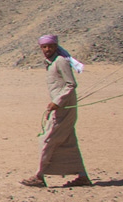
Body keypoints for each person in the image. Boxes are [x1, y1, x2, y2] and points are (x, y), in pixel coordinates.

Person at [21, 34, 91, 188]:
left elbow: (71, 85)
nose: (47, 49)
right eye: (44, 47)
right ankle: (83, 176)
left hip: (64, 109)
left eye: (50, 46)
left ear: (55, 46)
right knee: (68, 142)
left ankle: (39, 176)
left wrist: (56, 102)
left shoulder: (60, 62)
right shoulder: (51, 63)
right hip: (61, 108)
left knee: (47, 140)